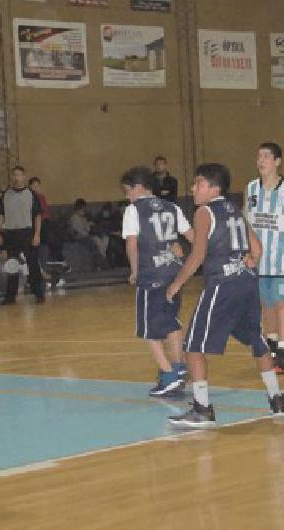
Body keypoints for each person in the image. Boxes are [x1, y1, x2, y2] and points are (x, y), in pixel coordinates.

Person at [165, 163, 284, 427]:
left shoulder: (204, 212)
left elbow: (197, 255)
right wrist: (252, 260)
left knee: (193, 347)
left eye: (198, 184)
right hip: (246, 282)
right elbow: (257, 248)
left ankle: (202, 409)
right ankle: (277, 400)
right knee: (256, 340)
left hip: (223, 284)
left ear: (213, 188)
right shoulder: (235, 210)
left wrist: (176, 283)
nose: (193, 188)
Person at [120, 166, 194, 396]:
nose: (127, 196)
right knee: (172, 322)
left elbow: (132, 244)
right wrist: (185, 255)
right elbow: (193, 236)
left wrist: (134, 271)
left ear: (138, 187)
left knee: (150, 330)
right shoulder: (172, 207)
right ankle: (179, 367)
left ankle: (169, 374)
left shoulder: (134, 210)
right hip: (174, 273)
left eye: (127, 190)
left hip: (151, 274)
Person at [244, 142, 284, 374]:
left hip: (282, 257)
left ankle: (283, 351)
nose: (261, 160)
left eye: (266, 156)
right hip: (258, 258)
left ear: (277, 161)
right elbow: (245, 219)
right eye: (259, 156)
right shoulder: (251, 188)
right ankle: (272, 345)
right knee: (264, 305)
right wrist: (246, 249)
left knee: (280, 303)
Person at [0, 166, 45, 304]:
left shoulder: (31, 194)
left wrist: (37, 235)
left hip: (27, 232)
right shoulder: (6, 195)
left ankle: (39, 294)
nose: (17, 178)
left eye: (19, 175)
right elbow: (0, 215)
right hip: (10, 233)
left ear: (24, 177)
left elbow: (37, 216)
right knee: (12, 265)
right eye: (14, 175)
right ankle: (10, 297)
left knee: (33, 264)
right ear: (12, 177)